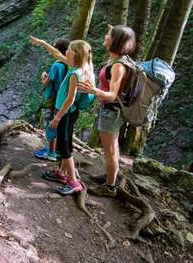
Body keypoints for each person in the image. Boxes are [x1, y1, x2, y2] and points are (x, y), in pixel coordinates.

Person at [77, 24, 136, 197]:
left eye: (108, 34)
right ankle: (111, 176)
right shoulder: (116, 60)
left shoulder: (118, 66)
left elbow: (111, 95)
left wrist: (93, 90)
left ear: (115, 40)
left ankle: (110, 188)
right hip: (110, 111)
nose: (105, 36)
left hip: (111, 112)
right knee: (113, 149)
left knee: (110, 151)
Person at [30, 37, 95, 195]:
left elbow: (69, 99)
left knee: (64, 147)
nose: (66, 52)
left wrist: (56, 118)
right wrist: (44, 43)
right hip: (70, 114)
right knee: (66, 143)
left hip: (65, 114)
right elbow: (56, 54)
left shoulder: (75, 73)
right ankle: (61, 173)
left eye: (69, 50)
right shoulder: (82, 67)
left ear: (76, 54)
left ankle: (73, 182)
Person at [34, 38, 69, 162]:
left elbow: (45, 84)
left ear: (57, 50)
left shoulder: (56, 65)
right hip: (63, 100)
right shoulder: (69, 64)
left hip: (52, 100)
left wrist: (43, 76)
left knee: (50, 124)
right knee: (57, 125)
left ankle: (50, 152)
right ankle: (54, 150)